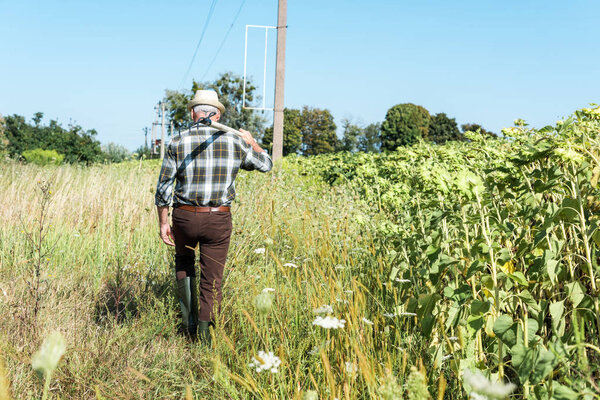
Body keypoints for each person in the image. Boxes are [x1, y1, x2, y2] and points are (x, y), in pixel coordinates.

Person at [155, 89, 272, 344]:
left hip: (184, 216)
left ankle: (188, 326)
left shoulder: (177, 141)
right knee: (212, 277)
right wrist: (252, 142)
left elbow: (163, 188)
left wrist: (164, 223)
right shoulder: (235, 141)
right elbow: (266, 164)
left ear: (192, 113)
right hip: (218, 219)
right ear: (217, 114)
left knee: (184, 264)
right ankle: (206, 336)